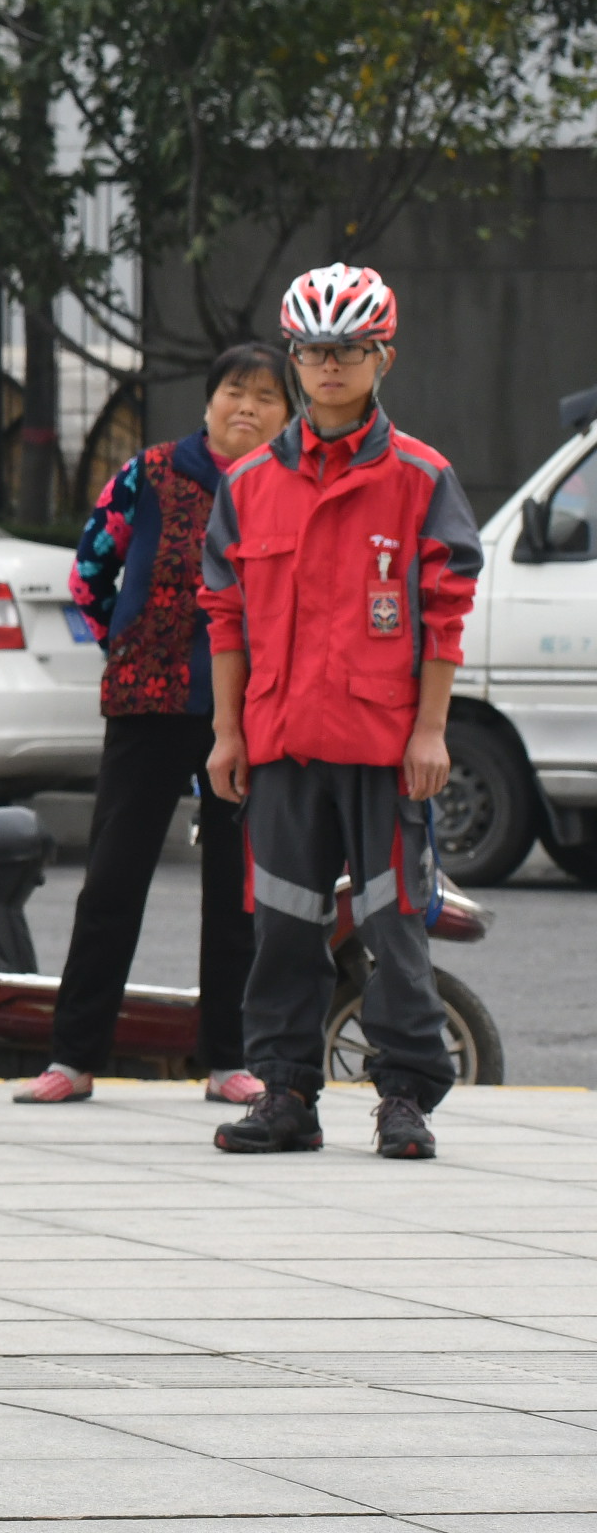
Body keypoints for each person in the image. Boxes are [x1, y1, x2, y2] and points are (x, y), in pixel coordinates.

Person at [204, 264, 484, 1160]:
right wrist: (226, 731)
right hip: (282, 741)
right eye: (315, 351)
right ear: (294, 357)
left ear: (382, 359)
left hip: (384, 743)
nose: (330, 366)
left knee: (392, 923)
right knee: (281, 924)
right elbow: (225, 615)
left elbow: (444, 613)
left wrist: (433, 730)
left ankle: (403, 1097)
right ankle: (285, 1094)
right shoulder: (248, 483)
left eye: (349, 351)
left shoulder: (420, 478)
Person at [12, 344, 293, 1108]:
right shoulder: (153, 472)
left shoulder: (292, 484)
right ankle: (72, 1058)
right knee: (113, 877)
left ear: (287, 415)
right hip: (150, 700)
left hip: (251, 709)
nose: (248, 408)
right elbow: (90, 571)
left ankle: (227, 1059)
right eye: (235, 392)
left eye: (267, 397)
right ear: (207, 403)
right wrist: (131, 642)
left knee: (237, 886)